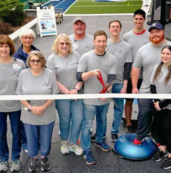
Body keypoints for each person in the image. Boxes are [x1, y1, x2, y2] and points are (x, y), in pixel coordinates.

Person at [132, 22, 171, 145]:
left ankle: (159, 139)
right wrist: (135, 86)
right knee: (143, 116)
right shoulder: (143, 49)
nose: (155, 34)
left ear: (163, 32)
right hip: (147, 91)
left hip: (166, 94)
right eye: (152, 32)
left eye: (158, 31)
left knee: (161, 119)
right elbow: (136, 68)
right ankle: (141, 136)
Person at [0, 35, 26, 172]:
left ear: (10, 47)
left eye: (6, 46)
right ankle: (3, 159)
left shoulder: (19, 64)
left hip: (16, 105)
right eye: (1, 46)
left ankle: (15, 158)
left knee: (16, 132)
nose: (4, 49)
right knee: (1, 134)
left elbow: (25, 83)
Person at [77, 30, 117, 165]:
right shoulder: (85, 57)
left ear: (107, 42)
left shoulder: (112, 58)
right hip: (89, 99)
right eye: (98, 41)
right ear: (94, 42)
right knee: (87, 124)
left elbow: (112, 78)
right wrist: (91, 73)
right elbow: (79, 76)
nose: (101, 44)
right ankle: (86, 150)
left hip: (104, 98)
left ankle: (100, 140)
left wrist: (107, 89)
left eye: (103, 41)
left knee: (102, 120)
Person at [15, 51, 58, 172]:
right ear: (29, 61)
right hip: (29, 113)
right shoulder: (23, 74)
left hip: (47, 112)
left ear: (42, 61)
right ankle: (33, 157)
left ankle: (44, 157)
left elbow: (54, 93)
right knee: (31, 137)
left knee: (46, 137)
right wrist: (30, 107)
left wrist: (43, 107)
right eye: (33, 60)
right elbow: (18, 93)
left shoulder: (49, 73)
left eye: (38, 60)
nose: (35, 63)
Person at [47, 34, 84, 156]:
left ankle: (73, 143)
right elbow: (53, 80)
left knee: (78, 119)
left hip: (77, 93)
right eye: (61, 43)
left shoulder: (76, 55)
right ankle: (64, 142)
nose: (64, 46)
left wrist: (76, 90)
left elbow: (81, 75)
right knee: (65, 120)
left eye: (67, 43)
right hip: (62, 95)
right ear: (57, 45)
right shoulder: (52, 59)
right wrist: (68, 92)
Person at [123, 9, 149, 133]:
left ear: (144, 20)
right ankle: (128, 123)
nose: (138, 21)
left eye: (141, 19)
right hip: (130, 75)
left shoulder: (149, 36)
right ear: (133, 19)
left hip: (145, 75)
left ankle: (142, 124)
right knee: (129, 100)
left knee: (144, 101)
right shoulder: (127, 36)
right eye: (136, 19)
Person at [13, 28, 39, 153]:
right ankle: (26, 142)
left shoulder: (37, 52)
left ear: (33, 39)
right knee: (23, 119)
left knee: (36, 116)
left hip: (36, 90)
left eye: (30, 37)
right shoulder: (15, 56)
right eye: (25, 37)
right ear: (21, 39)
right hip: (23, 90)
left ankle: (36, 140)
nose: (27, 40)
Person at [106, 20, 132, 141]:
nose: (115, 29)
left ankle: (114, 131)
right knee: (102, 110)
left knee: (118, 109)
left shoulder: (127, 46)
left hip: (119, 83)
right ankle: (100, 133)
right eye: (113, 27)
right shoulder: (103, 44)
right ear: (109, 29)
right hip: (105, 85)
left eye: (117, 27)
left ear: (120, 29)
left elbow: (127, 67)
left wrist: (125, 85)